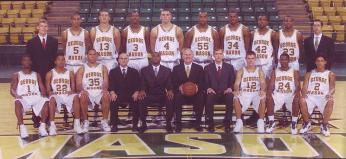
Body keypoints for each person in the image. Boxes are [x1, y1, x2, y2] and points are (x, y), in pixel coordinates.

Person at [26, 18, 58, 127]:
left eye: (45, 26)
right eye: (41, 26)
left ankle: (48, 118)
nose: (43, 28)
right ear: (37, 28)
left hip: (49, 74)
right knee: (37, 95)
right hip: (36, 74)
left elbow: (55, 59)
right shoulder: (31, 42)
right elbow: (29, 60)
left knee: (49, 95)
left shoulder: (53, 41)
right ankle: (36, 118)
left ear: (48, 28)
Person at [10, 54, 49, 138]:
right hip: (23, 97)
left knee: (45, 101)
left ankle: (42, 126)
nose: (26, 62)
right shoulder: (16, 75)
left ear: (31, 62)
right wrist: (16, 95)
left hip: (35, 96)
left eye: (28, 60)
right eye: (24, 60)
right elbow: (12, 89)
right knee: (17, 102)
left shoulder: (36, 74)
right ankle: (22, 127)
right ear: (21, 62)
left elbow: (42, 87)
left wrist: (44, 93)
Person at [45, 53, 84, 135]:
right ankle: (52, 125)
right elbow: (48, 90)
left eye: (63, 59)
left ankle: (77, 124)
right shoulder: (50, 73)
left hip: (67, 95)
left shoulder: (70, 72)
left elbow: (74, 88)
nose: (61, 61)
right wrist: (50, 92)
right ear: (55, 61)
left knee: (76, 97)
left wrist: (72, 91)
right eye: (59, 59)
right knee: (51, 99)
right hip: (57, 95)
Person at [137, 52, 174, 133]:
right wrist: (142, 90)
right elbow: (142, 83)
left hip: (162, 95)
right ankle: (143, 123)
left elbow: (169, 84)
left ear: (160, 58)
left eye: (157, 56)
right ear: (151, 58)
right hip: (149, 95)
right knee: (141, 98)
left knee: (170, 98)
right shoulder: (144, 70)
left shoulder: (167, 70)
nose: (156, 58)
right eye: (153, 56)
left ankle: (168, 123)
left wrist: (170, 90)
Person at [299, 55, 335, 137]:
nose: (319, 62)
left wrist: (329, 94)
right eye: (318, 61)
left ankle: (324, 125)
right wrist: (304, 94)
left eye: (322, 61)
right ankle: (307, 123)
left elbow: (332, 88)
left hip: (323, 97)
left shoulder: (330, 74)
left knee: (330, 101)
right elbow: (304, 86)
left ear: (325, 62)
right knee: (301, 100)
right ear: (315, 62)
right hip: (311, 97)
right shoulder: (309, 73)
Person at [76, 49, 111, 132]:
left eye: (94, 54)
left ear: (97, 56)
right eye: (90, 54)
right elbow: (78, 84)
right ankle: (85, 121)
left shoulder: (103, 67)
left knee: (106, 95)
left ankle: (104, 121)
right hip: (87, 92)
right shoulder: (82, 68)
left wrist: (105, 89)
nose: (92, 56)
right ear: (87, 56)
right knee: (83, 96)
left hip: (99, 91)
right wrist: (82, 90)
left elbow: (106, 81)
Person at [266, 53, 301, 134]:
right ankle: (271, 122)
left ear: (288, 60)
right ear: (279, 61)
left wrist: (297, 93)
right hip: (278, 94)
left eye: (285, 59)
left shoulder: (294, 71)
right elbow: (271, 85)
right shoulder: (275, 72)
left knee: (296, 99)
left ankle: (293, 123)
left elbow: (298, 86)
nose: (283, 61)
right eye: (282, 59)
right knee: (269, 98)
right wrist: (269, 93)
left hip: (290, 94)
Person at [233, 51, 267, 133]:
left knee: (263, 97)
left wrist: (262, 90)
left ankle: (260, 122)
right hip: (245, 93)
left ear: (255, 59)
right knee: (235, 97)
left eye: (252, 58)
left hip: (256, 93)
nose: (250, 60)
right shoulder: (241, 70)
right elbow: (236, 83)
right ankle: (239, 121)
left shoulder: (259, 70)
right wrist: (236, 90)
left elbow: (263, 83)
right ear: (246, 59)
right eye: (249, 58)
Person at [172, 48, 205, 132]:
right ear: (182, 56)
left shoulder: (199, 68)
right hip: (182, 93)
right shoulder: (176, 68)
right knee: (177, 97)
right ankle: (178, 125)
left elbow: (202, 82)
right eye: (185, 54)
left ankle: (198, 124)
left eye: (189, 54)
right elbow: (173, 82)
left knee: (201, 96)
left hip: (195, 93)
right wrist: (179, 87)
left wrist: (197, 87)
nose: (187, 56)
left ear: (192, 56)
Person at [204, 49, 235, 132]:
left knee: (230, 96)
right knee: (209, 96)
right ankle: (210, 122)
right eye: (216, 54)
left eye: (220, 54)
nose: (218, 56)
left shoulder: (229, 67)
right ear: (213, 56)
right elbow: (205, 82)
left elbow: (232, 81)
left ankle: (227, 122)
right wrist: (208, 88)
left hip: (225, 93)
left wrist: (230, 88)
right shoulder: (207, 68)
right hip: (213, 93)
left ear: (223, 55)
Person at [108, 52, 140, 132]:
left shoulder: (134, 72)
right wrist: (112, 92)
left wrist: (136, 92)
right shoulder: (113, 72)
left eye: (125, 58)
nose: (123, 60)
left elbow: (137, 85)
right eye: (121, 58)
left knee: (136, 100)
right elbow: (111, 84)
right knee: (113, 101)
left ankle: (135, 125)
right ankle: (114, 125)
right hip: (118, 95)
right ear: (118, 60)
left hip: (131, 95)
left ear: (128, 60)